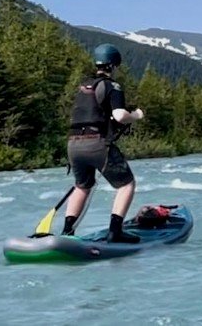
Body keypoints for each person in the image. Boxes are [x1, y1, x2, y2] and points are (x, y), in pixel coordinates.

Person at [62, 44, 145, 243]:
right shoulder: (112, 86)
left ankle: (67, 233)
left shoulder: (83, 86)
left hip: (73, 145)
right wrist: (136, 115)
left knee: (82, 186)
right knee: (126, 185)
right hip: (96, 144)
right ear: (114, 65)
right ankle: (115, 232)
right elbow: (119, 115)